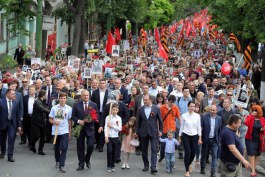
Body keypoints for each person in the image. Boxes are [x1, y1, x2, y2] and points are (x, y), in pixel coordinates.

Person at [71, 89, 99, 171]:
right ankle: (81, 164)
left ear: (89, 96)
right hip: (80, 129)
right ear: (81, 96)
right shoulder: (76, 105)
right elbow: (73, 116)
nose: (86, 97)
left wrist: (91, 119)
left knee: (90, 145)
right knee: (80, 147)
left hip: (90, 128)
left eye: (87, 95)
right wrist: (79, 121)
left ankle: (87, 159)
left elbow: (96, 115)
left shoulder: (93, 105)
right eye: (84, 95)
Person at [136, 94, 163, 174]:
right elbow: (138, 122)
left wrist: (161, 130)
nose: (145, 101)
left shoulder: (156, 108)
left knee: (154, 150)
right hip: (143, 132)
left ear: (150, 100)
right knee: (144, 150)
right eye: (144, 100)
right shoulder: (140, 109)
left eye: (146, 100)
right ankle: (146, 165)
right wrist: (136, 132)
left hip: (154, 132)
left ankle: (153, 167)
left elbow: (160, 120)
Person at [49, 92, 72, 173]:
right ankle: (57, 161)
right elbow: (50, 119)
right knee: (57, 148)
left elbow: (69, 120)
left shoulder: (69, 108)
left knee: (64, 148)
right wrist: (54, 122)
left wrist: (70, 131)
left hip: (65, 130)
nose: (63, 100)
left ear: (66, 99)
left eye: (64, 98)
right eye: (61, 98)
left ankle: (62, 165)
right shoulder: (54, 108)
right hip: (56, 131)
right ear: (59, 99)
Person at [179, 101, 202, 177]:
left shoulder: (197, 116)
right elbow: (181, 127)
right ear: (188, 107)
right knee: (188, 152)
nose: (192, 108)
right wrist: (179, 137)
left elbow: (199, 127)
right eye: (191, 106)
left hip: (195, 136)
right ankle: (187, 171)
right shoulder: (184, 115)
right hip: (185, 135)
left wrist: (200, 138)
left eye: (193, 106)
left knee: (193, 153)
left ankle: (189, 164)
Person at [200, 105, 222, 177]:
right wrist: (200, 138)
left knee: (214, 156)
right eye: (211, 110)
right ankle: (202, 168)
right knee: (204, 154)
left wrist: (219, 140)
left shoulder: (219, 119)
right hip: (206, 139)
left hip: (215, 140)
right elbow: (201, 128)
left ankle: (213, 172)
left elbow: (220, 130)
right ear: (209, 110)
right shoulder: (204, 117)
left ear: (216, 111)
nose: (212, 112)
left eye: (214, 110)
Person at [0, 89, 22, 162]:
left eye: (14, 94)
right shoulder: (1, 102)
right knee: (2, 139)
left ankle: (10, 156)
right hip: (2, 123)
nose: (14, 95)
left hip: (12, 124)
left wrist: (19, 125)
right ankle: (3, 152)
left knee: (11, 139)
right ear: (8, 94)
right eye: (12, 94)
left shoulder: (15, 103)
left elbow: (18, 115)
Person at [244, 105, 265, 176]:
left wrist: (262, 130)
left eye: (256, 110)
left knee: (257, 155)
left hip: (259, 140)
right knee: (251, 154)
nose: (254, 112)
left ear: (259, 111)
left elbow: (262, 130)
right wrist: (251, 115)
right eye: (253, 110)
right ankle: (253, 171)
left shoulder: (262, 119)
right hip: (250, 139)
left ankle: (254, 168)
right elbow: (246, 123)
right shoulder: (250, 117)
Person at [159, 95, 180, 162]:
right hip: (164, 128)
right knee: (163, 145)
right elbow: (159, 118)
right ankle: (162, 156)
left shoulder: (175, 108)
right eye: (171, 102)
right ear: (168, 101)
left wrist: (182, 127)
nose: (172, 104)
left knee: (171, 146)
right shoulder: (162, 107)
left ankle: (171, 160)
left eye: (173, 102)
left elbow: (179, 117)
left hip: (172, 129)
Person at [91, 79, 109, 152]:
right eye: (100, 83)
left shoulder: (108, 92)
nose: (102, 84)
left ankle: (101, 145)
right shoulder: (95, 92)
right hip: (97, 112)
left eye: (103, 83)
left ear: (105, 84)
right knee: (96, 128)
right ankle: (98, 142)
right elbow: (92, 103)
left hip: (105, 113)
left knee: (103, 128)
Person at [30, 90, 50, 155]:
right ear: (43, 95)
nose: (46, 96)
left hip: (43, 121)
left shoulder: (43, 101)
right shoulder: (37, 102)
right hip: (36, 121)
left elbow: (45, 108)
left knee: (43, 136)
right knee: (36, 136)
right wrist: (51, 111)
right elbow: (42, 109)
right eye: (46, 94)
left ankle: (40, 150)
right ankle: (32, 144)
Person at [104, 103, 122, 172]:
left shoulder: (119, 118)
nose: (114, 111)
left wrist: (112, 126)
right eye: (113, 109)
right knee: (109, 151)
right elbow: (106, 127)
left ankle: (113, 165)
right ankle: (108, 165)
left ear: (118, 111)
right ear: (111, 110)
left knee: (115, 152)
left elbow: (119, 128)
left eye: (116, 110)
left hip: (115, 137)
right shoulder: (108, 118)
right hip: (109, 137)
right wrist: (106, 136)